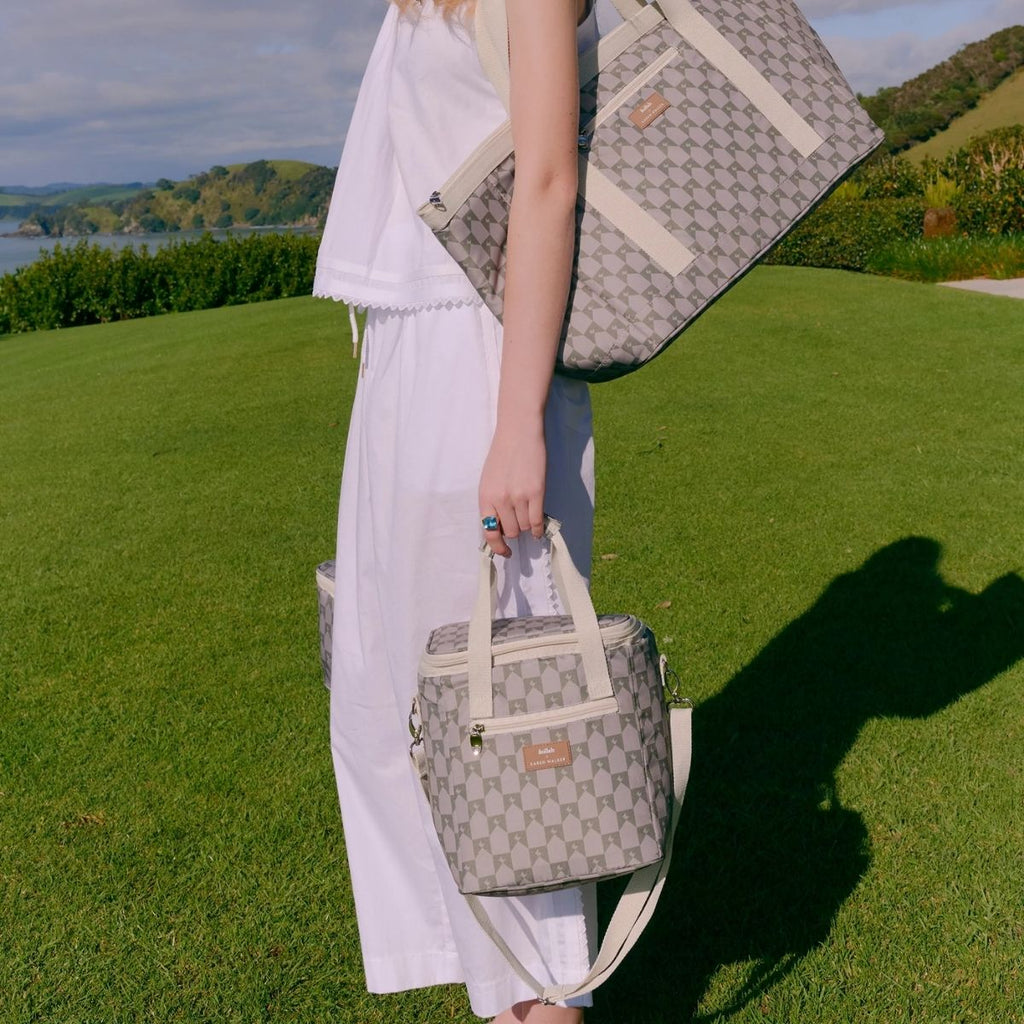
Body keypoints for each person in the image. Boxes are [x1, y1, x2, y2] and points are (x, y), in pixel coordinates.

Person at [314, 1, 599, 1020]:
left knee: (508, 722)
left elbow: (548, 178)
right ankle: (504, 997)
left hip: (478, 361)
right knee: (407, 706)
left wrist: (516, 419)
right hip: (406, 356)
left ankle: (540, 999)